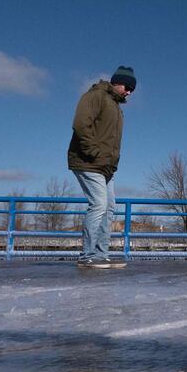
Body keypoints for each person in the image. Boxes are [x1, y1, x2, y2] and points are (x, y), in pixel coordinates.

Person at [68, 66, 136, 269]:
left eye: (132, 90)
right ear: (116, 82)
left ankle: (100, 254)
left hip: (106, 167)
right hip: (88, 161)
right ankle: (87, 255)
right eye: (127, 86)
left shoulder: (116, 107)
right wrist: (93, 152)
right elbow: (81, 125)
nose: (129, 92)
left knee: (109, 207)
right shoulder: (95, 96)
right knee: (98, 204)